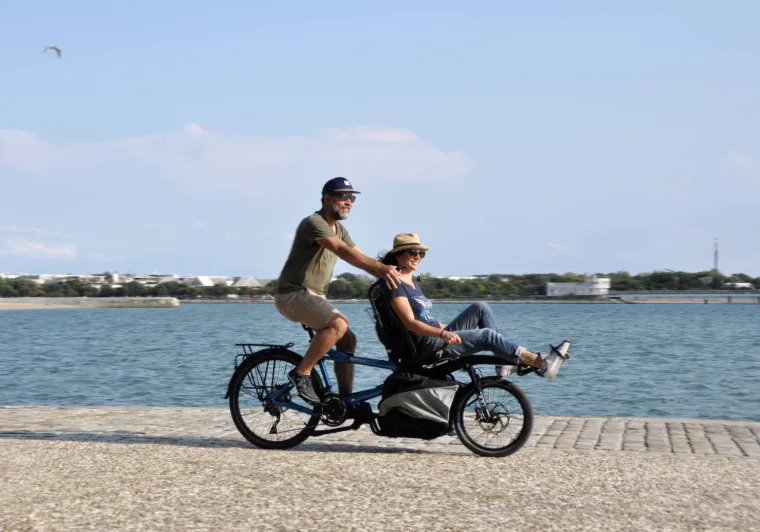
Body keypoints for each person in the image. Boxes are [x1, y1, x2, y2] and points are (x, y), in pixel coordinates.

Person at [275, 177, 402, 404]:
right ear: (326, 198)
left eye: (351, 198)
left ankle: (345, 401)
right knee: (338, 324)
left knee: (348, 339)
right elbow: (343, 252)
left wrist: (395, 271)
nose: (349, 202)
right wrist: (380, 270)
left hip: (312, 296)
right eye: (343, 197)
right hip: (293, 293)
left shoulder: (339, 229)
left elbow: (359, 255)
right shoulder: (314, 223)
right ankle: (301, 373)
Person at [380, 233, 569, 380]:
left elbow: (425, 318)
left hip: (435, 335)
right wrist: (443, 334)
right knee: (486, 335)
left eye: (421, 253)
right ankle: (540, 363)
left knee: (480, 307)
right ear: (398, 255)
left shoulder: (412, 281)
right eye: (412, 252)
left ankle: (503, 361)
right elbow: (410, 323)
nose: (418, 257)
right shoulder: (395, 284)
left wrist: (446, 329)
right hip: (427, 344)